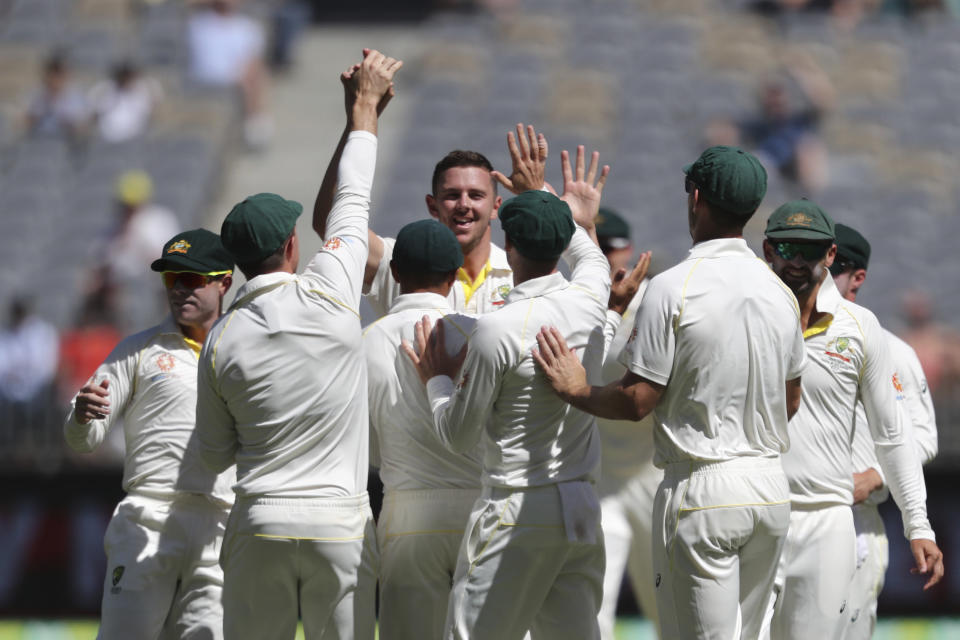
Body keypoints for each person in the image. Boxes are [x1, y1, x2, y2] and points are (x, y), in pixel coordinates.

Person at [533, 145, 806, 640]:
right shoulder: (781, 293)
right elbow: (790, 401)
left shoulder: (673, 287)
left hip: (703, 489)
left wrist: (577, 390)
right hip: (769, 488)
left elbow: (636, 400)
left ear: (695, 198)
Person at [194, 49, 401, 640]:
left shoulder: (219, 339)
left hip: (258, 522)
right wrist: (362, 111)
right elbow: (351, 199)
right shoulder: (331, 290)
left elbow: (212, 458)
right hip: (339, 524)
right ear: (292, 246)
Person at [403, 144, 611, 639]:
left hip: (518, 508)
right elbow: (586, 248)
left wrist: (436, 380)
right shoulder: (593, 292)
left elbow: (456, 435)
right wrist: (544, 193)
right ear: (561, 242)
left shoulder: (497, 329)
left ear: (507, 242)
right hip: (580, 505)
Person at [758, 202, 943, 639]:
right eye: (791, 249)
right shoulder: (757, 316)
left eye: (820, 255)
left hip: (848, 517)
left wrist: (877, 479)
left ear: (848, 270)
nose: (801, 264)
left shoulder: (879, 341)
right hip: (762, 508)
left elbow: (915, 437)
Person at [63, 228, 236, 638]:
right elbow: (82, 438)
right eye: (171, 279)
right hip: (148, 519)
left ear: (224, 282)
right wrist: (82, 417)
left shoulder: (245, 350)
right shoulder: (138, 349)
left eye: (191, 279)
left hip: (221, 526)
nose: (178, 289)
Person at [362, 219, 481, 639]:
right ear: (455, 276)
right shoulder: (481, 335)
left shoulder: (364, 342)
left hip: (406, 510)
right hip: (479, 511)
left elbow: (366, 448)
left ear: (394, 273)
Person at [314, 124, 555, 318]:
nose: (463, 204)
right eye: (452, 195)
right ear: (432, 205)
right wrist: (358, 125)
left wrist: (539, 191)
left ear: (495, 207)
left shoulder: (522, 271)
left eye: (475, 195)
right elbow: (331, 222)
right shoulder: (403, 262)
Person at [829, 223, 939, 639]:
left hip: (857, 520)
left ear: (857, 277)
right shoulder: (784, 336)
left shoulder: (892, 349)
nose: (818, 271)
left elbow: (922, 435)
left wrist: (875, 476)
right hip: (787, 514)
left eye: (833, 266)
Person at [592, 208, 661, 639]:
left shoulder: (657, 300)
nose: (601, 259)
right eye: (592, 249)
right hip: (598, 477)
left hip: (653, 474)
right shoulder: (572, 300)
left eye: (608, 249)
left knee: (668, 604)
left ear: (629, 251)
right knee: (591, 605)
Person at [187, 0, 272, 148]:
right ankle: (255, 122)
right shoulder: (197, 23)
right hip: (204, 76)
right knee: (252, 77)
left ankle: (255, 121)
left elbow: (252, 62)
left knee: (256, 73)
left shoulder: (248, 27)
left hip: (236, 77)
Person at [88, 60, 163, 143]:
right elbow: (96, 110)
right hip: (109, 135)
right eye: (123, 77)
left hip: (135, 136)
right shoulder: (107, 90)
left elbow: (150, 109)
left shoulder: (141, 92)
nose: (125, 81)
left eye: (128, 78)